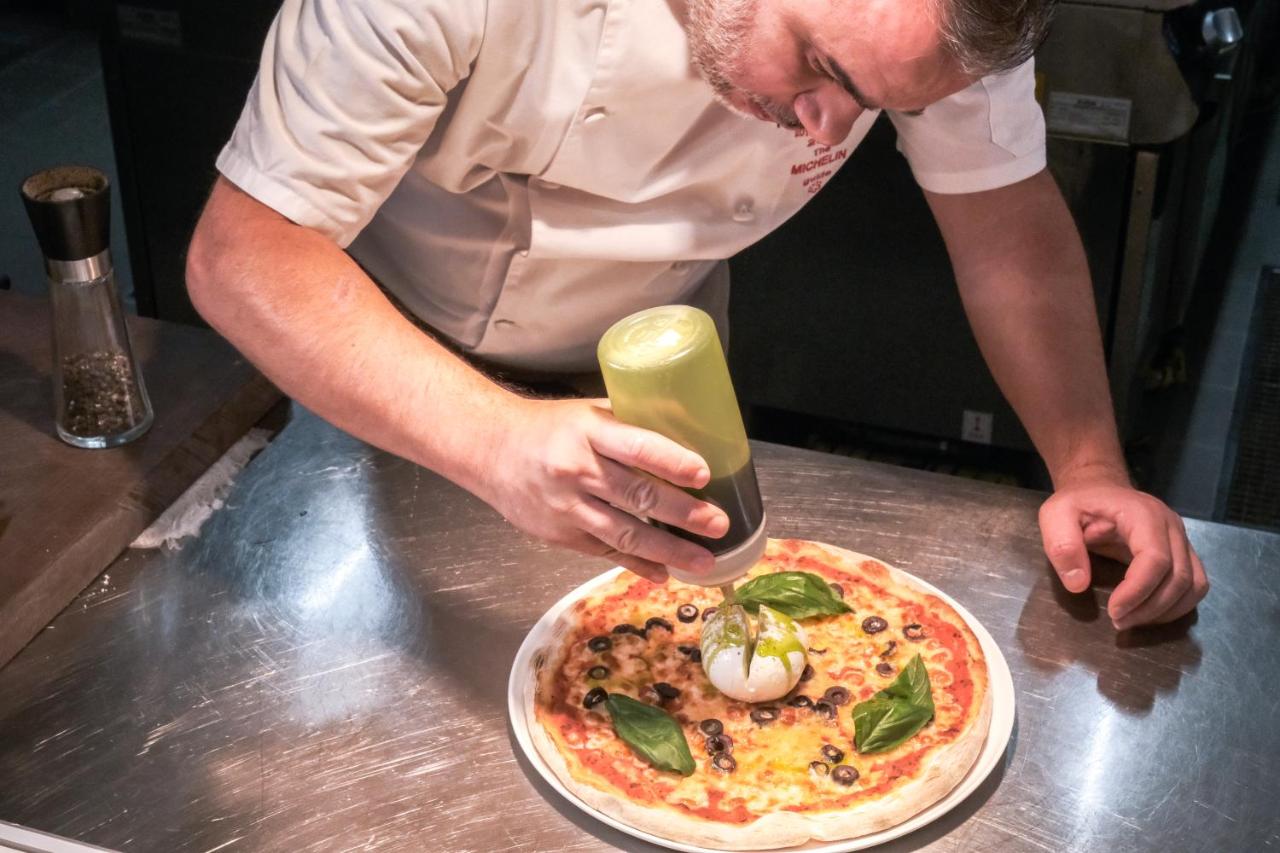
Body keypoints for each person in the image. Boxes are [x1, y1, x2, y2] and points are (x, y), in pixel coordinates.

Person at [186, 0, 1208, 630]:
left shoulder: (928, 27)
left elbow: (1006, 227)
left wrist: (1089, 468)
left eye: (875, 104)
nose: (829, 128)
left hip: (658, 372)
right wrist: (497, 440)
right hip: (388, 372)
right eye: (821, 69)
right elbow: (243, 256)